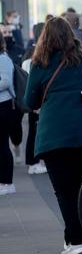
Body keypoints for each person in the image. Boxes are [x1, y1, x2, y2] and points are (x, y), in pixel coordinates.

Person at [24, 17, 82, 254]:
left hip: (54, 137)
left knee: (64, 191)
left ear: (44, 38)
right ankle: (72, 240)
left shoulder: (39, 63)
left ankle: (77, 242)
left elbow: (30, 102)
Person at [22, 22, 48, 175]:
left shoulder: (28, 54)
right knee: (34, 132)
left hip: (33, 100)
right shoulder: (37, 57)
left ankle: (34, 161)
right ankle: (33, 162)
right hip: (37, 102)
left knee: (34, 131)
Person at [0, 34, 17, 195]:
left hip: (3, 105)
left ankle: (7, 182)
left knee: (3, 144)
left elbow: (6, 82)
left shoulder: (3, 59)